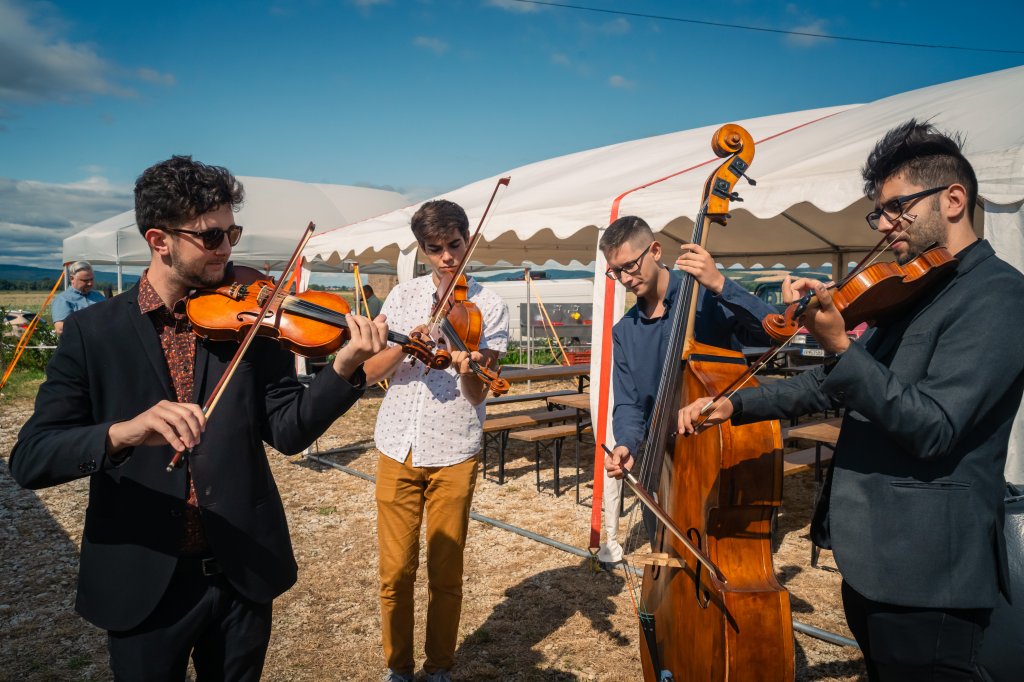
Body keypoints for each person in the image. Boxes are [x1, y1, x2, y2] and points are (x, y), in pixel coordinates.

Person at [10, 155, 388, 681]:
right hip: (142, 579)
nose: (227, 249)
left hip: (241, 572)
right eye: (211, 237)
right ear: (159, 240)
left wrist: (344, 369)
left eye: (232, 233)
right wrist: (124, 433)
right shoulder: (92, 333)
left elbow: (288, 430)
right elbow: (31, 458)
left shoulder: (250, 320)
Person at [676, 120, 1024, 680]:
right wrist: (735, 404)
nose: (884, 225)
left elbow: (934, 426)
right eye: (878, 213)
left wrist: (840, 344)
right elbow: (828, 383)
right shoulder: (917, 286)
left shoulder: (999, 295)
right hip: (875, 561)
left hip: (927, 574)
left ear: (954, 200)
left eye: (897, 208)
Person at [362, 199, 509, 682]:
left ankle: (440, 665)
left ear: (469, 241)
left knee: (445, 572)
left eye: (455, 245)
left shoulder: (491, 306)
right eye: (435, 248)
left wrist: (469, 365)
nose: (447, 257)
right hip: (397, 444)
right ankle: (398, 668)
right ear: (422, 250)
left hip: (454, 449)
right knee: (394, 572)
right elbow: (370, 372)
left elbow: (477, 392)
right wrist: (408, 344)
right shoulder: (403, 296)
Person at [599, 216, 777, 561]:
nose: (625, 279)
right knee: (666, 562)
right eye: (616, 272)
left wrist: (721, 284)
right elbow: (629, 403)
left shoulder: (704, 297)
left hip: (718, 455)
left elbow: (771, 332)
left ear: (655, 250)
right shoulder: (625, 331)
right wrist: (626, 443)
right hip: (660, 462)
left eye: (630, 266)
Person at [51, 260, 105, 334]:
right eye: (85, 280)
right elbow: (60, 328)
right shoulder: (63, 299)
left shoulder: (98, 295)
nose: (90, 283)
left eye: (91, 279)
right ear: (72, 278)